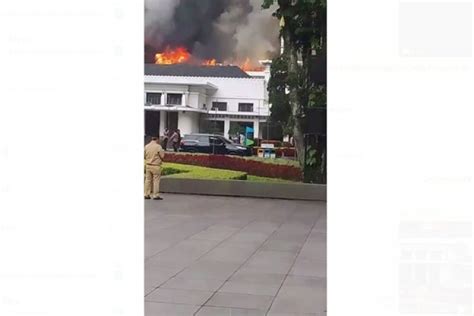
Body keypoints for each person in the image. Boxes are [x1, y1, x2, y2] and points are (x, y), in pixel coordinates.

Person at [144, 136, 165, 200]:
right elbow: (162, 156)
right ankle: (155, 195)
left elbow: (144, 156)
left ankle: (146, 194)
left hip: (148, 165)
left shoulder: (146, 146)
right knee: (156, 181)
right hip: (156, 166)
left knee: (147, 180)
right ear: (157, 139)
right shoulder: (158, 147)